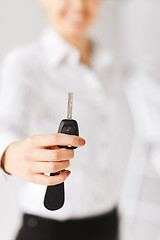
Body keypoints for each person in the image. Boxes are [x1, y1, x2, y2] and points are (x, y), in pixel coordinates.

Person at [0, 0, 133, 239]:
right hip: (49, 229)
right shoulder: (25, 63)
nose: (79, 5)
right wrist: (8, 154)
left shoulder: (112, 63)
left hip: (108, 222)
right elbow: (4, 125)